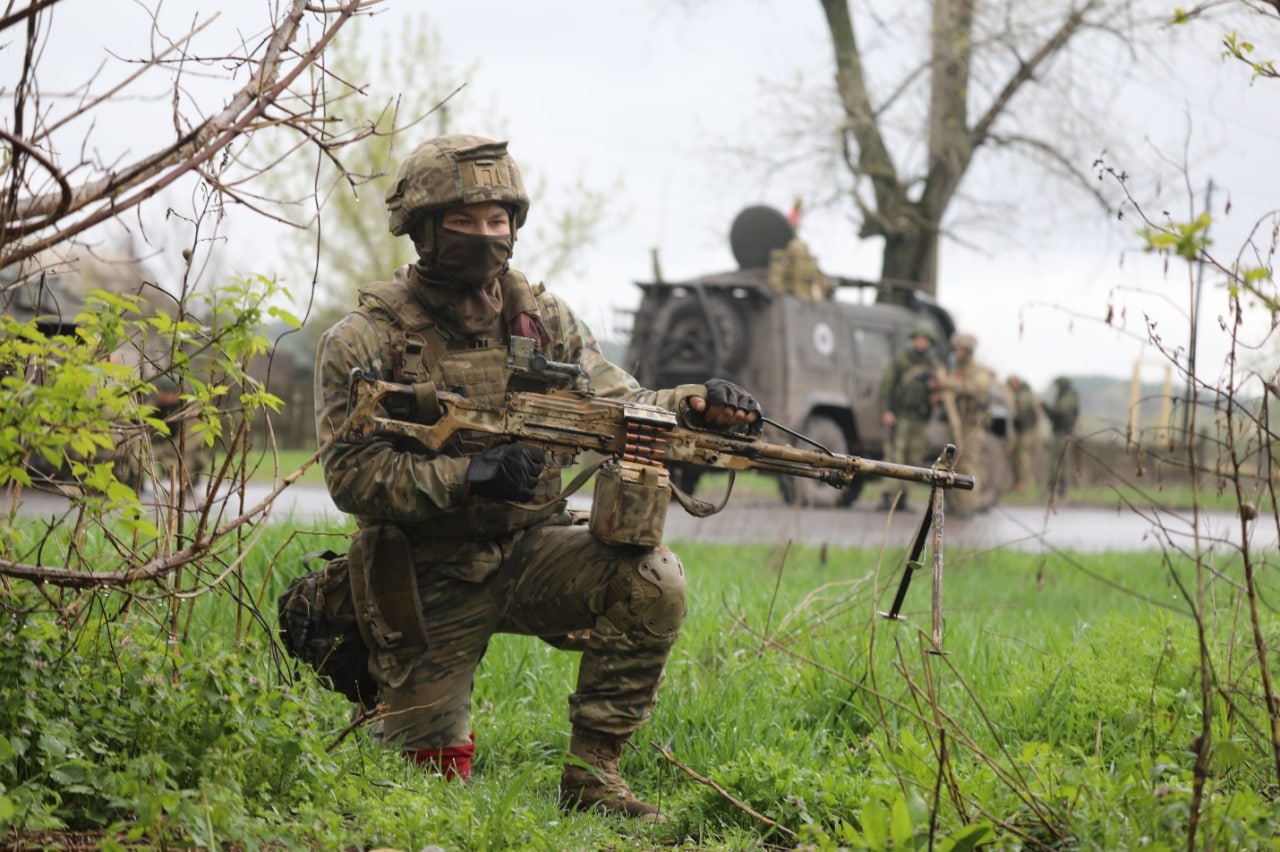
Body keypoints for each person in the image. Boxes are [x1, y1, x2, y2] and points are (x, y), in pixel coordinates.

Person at [312, 134, 761, 822]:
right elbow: (351, 477)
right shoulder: (362, 340)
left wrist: (697, 402)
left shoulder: (544, 322)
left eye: (499, 222)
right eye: (464, 222)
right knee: (424, 789)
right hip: (425, 571)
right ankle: (361, 652)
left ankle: (592, 777)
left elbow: (620, 400)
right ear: (424, 230)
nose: (485, 237)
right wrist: (470, 475)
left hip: (532, 550)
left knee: (652, 581)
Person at [875, 321, 943, 512]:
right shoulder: (901, 361)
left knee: (913, 458)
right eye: (918, 339)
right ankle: (887, 497)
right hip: (901, 416)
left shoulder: (934, 365)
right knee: (894, 455)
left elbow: (941, 393)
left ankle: (903, 498)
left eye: (924, 340)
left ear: (929, 342)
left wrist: (934, 389)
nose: (920, 343)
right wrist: (886, 411)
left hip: (919, 419)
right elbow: (886, 387)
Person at [937, 332, 996, 516]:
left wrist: (950, 384)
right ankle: (952, 504)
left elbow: (976, 388)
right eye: (956, 349)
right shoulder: (953, 370)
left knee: (968, 464)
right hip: (954, 424)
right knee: (949, 463)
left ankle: (968, 505)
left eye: (961, 350)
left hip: (972, 426)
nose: (958, 353)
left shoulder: (980, 372)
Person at [1042, 375, 1080, 498]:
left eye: (1058, 385)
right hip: (1058, 431)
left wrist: (1048, 409)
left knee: (1060, 460)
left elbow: (1060, 411)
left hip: (1064, 432)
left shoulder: (1069, 396)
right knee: (1055, 460)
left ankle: (1061, 488)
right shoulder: (1062, 395)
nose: (1057, 388)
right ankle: (1054, 486)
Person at [1005, 374, 1041, 493]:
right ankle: (1017, 482)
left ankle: (1023, 484)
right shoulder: (1021, 393)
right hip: (1021, 430)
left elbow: (1023, 413)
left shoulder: (1024, 395)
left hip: (1026, 431)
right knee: (1017, 456)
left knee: (1022, 457)